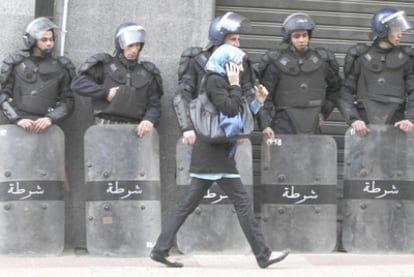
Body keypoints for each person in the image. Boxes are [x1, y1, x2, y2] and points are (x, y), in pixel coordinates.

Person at [150, 44, 289, 269]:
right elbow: (231, 109)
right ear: (227, 63)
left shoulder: (219, 81)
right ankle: (263, 254)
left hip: (212, 154)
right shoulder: (215, 80)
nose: (241, 68)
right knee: (242, 202)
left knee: (186, 205)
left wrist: (258, 102)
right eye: (238, 63)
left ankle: (160, 249)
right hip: (214, 155)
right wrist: (235, 85)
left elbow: (237, 118)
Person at [173, 12, 256, 146]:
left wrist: (243, 128)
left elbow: (247, 95)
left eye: (238, 39)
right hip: (203, 130)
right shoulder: (196, 60)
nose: (238, 44)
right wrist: (187, 127)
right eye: (233, 39)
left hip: (230, 132)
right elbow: (182, 95)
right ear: (218, 39)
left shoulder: (240, 62)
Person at [70, 22, 162, 136]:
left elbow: (154, 104)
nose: (134, 50)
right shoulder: (105, 65)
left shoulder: (147, 72)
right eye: (130, 45)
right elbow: (78, 84)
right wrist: (105, 93)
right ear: (121, 45)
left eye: (137, 45)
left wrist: (149, 119)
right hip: (105, 129)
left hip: (134, 132)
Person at [258, 13, 341, 137]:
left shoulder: (321, 61)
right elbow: (265, 97)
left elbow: (336, 88)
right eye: (296, 36)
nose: (301, 40)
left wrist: (324, 112)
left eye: (304, 35)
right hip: (284, 124)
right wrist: (266, 124)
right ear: (289, 37)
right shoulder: (276, 62)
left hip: (312, 125)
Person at [337, 7, 414, 137]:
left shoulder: (406, 58)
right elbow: (345, 92)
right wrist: (354, 119)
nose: (400, 34)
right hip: (365, 131)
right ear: (382, 30)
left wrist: (410, 119)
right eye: (396, 29)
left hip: (396, 130)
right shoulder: (360, 57)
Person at [0, 17, 75, 132]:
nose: (49, 43)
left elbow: (68, 101)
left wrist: (50, 118)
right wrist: (17, 119)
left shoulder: (61, 67)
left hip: (47, 129)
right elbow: (3, 96)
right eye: (44, 40)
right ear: (32, 41)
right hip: (17, 129)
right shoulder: (16, 64)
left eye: (51, 39)